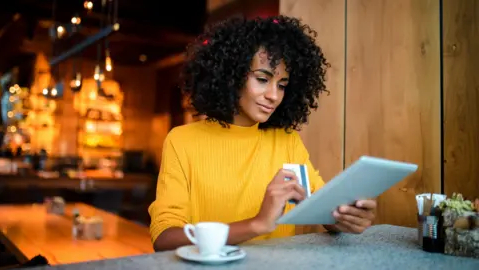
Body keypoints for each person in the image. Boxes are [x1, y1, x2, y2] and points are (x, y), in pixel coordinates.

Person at [148, 15, 377, 252]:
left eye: (282, 85)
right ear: (231, 76)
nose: (274, 96)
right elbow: (165, 238)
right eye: (262, 79)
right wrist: (256, 225)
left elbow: (322, 208)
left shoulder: (287, 141)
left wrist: (345, 217)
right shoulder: (183, 141)